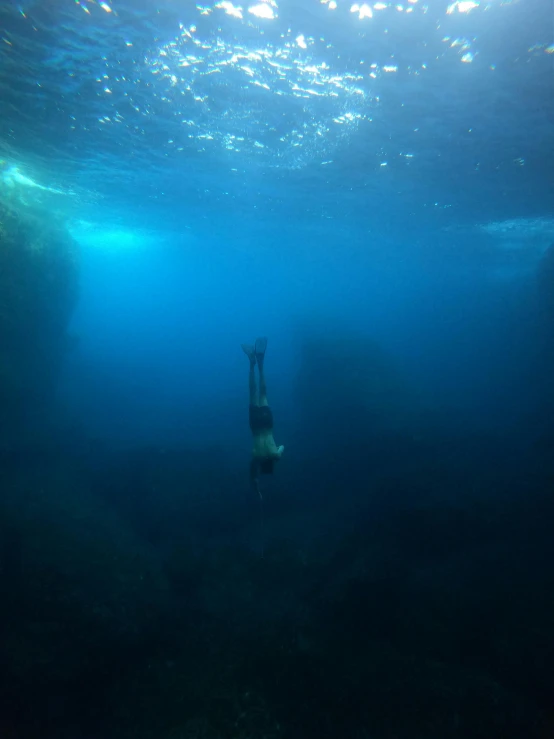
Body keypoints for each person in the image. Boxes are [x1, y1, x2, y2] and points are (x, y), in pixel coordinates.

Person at [241, 336, 284, 496]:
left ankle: (260, 363)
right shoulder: (256, 457)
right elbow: (253, 472)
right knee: (252, 393)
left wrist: (278, 449)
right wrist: (256, 487)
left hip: (267, 423)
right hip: (256, 426)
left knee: (263, 393)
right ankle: (251, 364)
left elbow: (282, 447)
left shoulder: (275, 455)